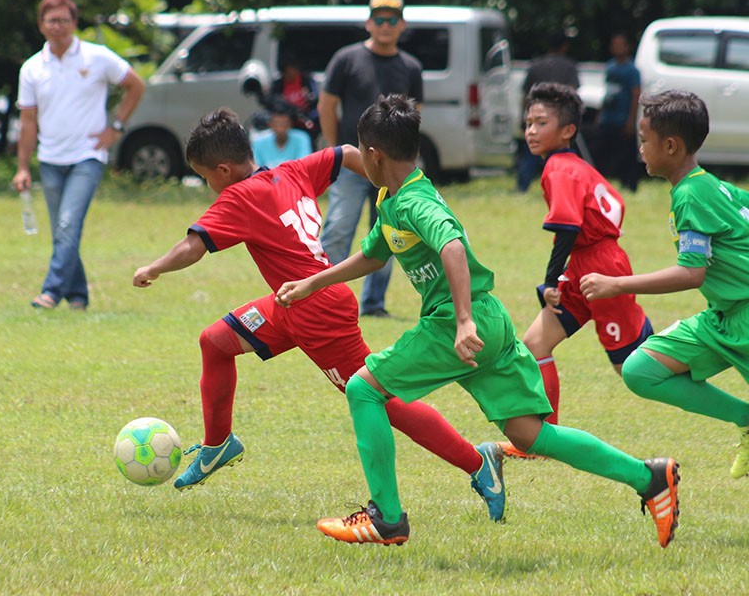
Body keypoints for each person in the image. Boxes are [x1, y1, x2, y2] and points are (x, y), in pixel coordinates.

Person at [275, 94, 680, 548]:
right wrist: (313, 283)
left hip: (458, 323)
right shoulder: (394, 198)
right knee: (529, 434)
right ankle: (647, 477)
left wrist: (463, 321)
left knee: (363, 389)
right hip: (488, 320)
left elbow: (450, 245)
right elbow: (373, 254)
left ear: (374, 155)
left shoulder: (415, 202)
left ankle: (386, 518)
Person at [132, 108, 506, 520]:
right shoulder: (292, 171)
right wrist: (390, 182)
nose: (209, 186)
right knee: (215, 342)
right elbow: (345, 153)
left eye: (206, 177)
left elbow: (194, 246)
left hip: (318, 314)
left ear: (223, 170)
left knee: (380, 398)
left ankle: (477, 462)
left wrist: (154, 268)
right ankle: (218, 444)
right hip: (289, 302)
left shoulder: (239, 197)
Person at [580, 90, 749, 480]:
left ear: (671, 146)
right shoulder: (706, 186)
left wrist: (616, 284)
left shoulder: (692, 194)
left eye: (644, 140)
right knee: (640, 369)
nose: (639, 148)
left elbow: (692, 274)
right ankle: (745, 418)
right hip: (722, 319)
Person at [501, 83, 654, 459]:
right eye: (528, 123)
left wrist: (550, 282)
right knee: (535, 344)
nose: (531, 131)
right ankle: (542, 441)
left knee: (632, 368)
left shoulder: (560, 169)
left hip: (601, 267)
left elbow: (567, 227)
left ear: (568, 130)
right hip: (586, 263)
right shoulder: (574, 165)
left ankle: (693, 350)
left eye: (542, 123)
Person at [13, 0, 145, 311]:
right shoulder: (32, 68)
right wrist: (23, 166)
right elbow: (28, 121)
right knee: (63, 232)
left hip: (87, 156)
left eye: (63, 20)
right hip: (50, 159)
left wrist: (116, 127)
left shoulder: (96, 57)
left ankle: (50, 292)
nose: (57, 26)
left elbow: (135, 85)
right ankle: (78, 297)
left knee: (68, 225)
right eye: (51, 20)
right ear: (41, 25)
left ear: (74, 23)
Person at [317, 0, 423, 318]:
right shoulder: (346, 59)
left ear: (402, 25)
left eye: (392, 20)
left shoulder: (411, 67)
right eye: (379, 19)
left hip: (391, 168)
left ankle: (374, 304)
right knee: (339, 227)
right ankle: (324, 298)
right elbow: (327, 106)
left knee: (388, 234)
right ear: (368, 23)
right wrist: (337, 152)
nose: (385, 25)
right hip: (351, 163)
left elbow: (415, 118)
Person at [517, 31, 580, 193]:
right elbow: (573, 93)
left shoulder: (536, 65)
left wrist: (524, 119)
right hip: (560, 119)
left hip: (538, 114)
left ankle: (522, 186)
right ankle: (564, 185)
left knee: (530, 155)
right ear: (564, 46)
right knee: (564, 157)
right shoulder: (569, 66)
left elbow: (525, 95)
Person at [592, 33, 643, 192]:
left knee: (626, 155)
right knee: (601, 153)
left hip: (623, 119)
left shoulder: (632, 70)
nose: (617, 48)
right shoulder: (610, 67)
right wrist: (600, 114)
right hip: (608, 119)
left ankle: (629, 185)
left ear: (627, 47)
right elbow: (607, 93)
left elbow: (636, 95)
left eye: (621, 45)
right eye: (615, 45)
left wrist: (631, 120)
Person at [270, 50, 319, 142]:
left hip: (305, 119)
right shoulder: (278, 84)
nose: (290, 74)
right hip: (286, 122)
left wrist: (309, 98)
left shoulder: (306, 80)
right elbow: (273, 102)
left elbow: (315, 98)